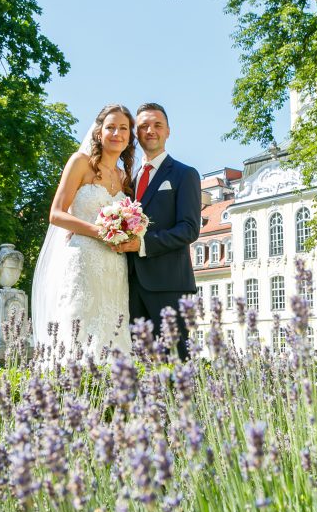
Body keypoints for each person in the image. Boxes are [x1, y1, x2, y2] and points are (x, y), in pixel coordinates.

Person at [31, 104, 136, 359]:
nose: (117, 133)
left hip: (114, 266)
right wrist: (99, 232)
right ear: (99, 132)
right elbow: (56, 213)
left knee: (114, 330)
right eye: (110, 127)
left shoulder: (124, 177)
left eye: (123, 128)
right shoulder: (80, 163)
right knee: (78, 325)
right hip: (83, 260)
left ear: (129, 136)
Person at [112, 103, 200, 359]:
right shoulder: (127, 179)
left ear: (168, 132)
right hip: (127, 284)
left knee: (175, 363)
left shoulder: (185, 174)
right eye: (143, 126)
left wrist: (142, 245)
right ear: (136, 134)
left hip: (169, 285)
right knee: (137, 365)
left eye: (157, 125)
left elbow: (189, 229)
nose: (151, 130)